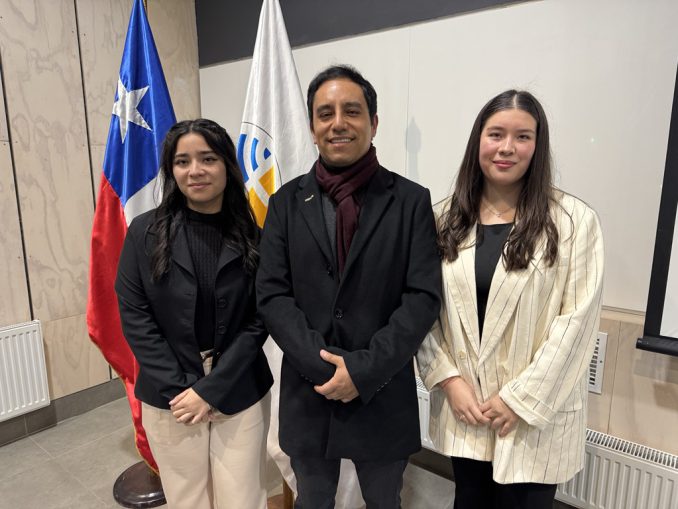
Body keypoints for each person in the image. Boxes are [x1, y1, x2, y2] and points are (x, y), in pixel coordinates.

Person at [256, 65, 441, 509]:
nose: (338, 123)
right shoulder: (284, 203)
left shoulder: (411, 201)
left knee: (384, 501)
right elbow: (273, 295)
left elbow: (421, 298)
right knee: (313, 500)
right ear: (312, 128)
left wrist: (362, 371)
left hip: (381, 391)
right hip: (310, 392)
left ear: (373, 123)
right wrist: (325, 369)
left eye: (352, 111)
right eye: (325, 113)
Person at [417, 90, 604, 509]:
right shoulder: (443, 219)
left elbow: (576, 325)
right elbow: (422, 310)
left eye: (522, 137)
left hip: (533, 421)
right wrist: (448, 379)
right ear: (478, 141)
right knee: (468, 500)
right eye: (496, 134)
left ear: (538, 146)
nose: (507, 147)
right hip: (466, 409)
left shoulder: (574, 222)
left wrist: (517, 400)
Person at [115, 119, 273, 509]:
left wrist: (210, 390)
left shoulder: (254, 235)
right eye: (182, 161)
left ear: (227, 166)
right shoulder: (143, 232)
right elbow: (135, 316)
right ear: (171, 170)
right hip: (169, 393)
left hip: (239, 385)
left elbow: (260, 319)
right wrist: (183, 390)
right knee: (188, 499)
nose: (195, 170)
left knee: (242, 498)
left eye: (208, 158)